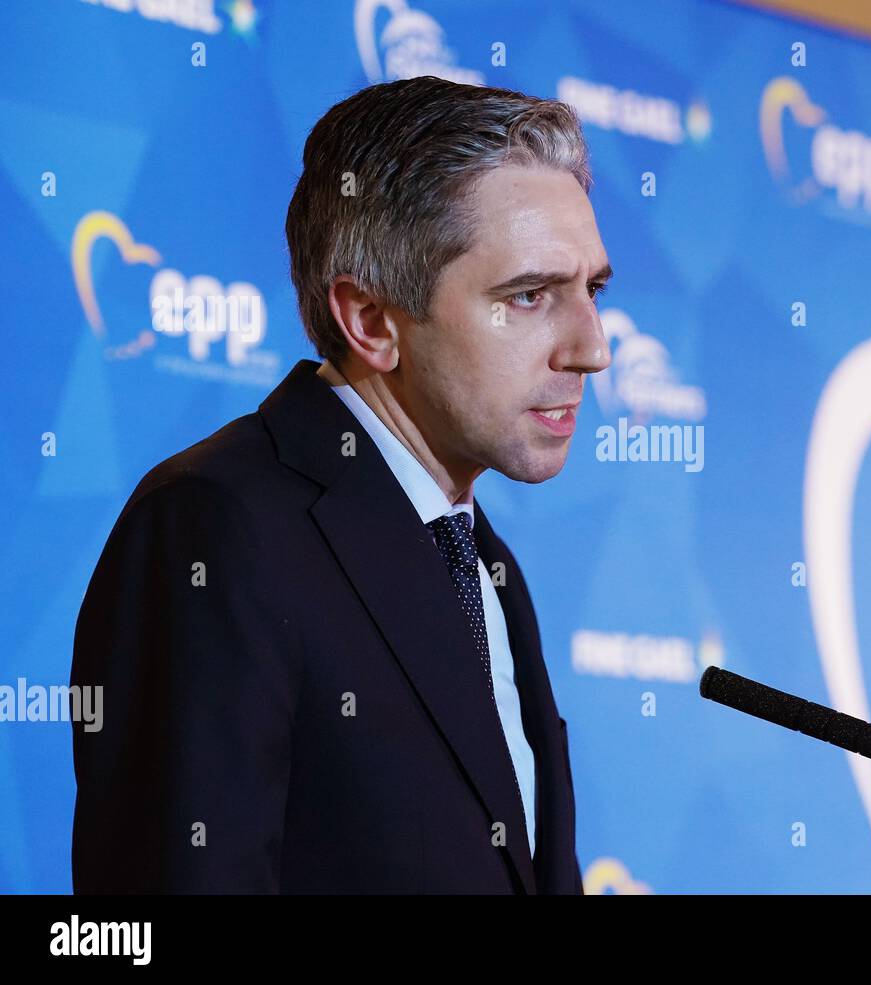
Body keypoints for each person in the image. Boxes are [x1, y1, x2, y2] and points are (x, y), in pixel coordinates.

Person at [70, 75, 612, 893]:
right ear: (370, 320)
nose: (593, 348)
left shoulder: (481, 560)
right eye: (530, 296)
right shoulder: (216, 527)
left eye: (592, 291)